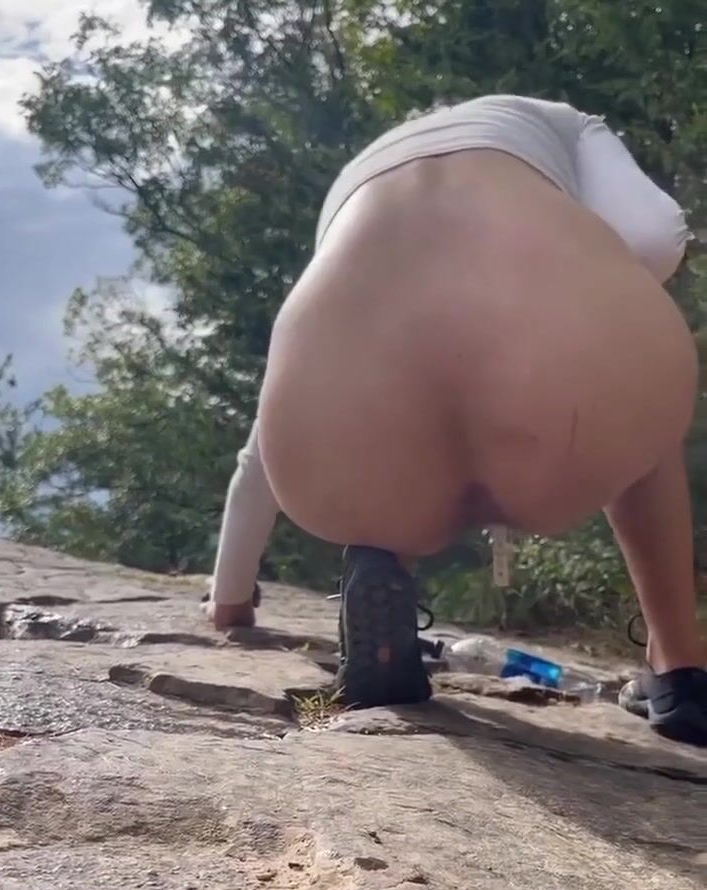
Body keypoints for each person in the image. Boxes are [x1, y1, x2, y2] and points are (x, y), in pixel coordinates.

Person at [207, 94, 707, 745]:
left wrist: (231, 599)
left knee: (377, 445)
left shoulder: (358, 179)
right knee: (643, 406)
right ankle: (678, 669)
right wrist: (604, 287)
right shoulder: (554, 119)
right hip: (567, 407)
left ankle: (382, 568)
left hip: (344, 426)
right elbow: (655, 234)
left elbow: (259, 457)